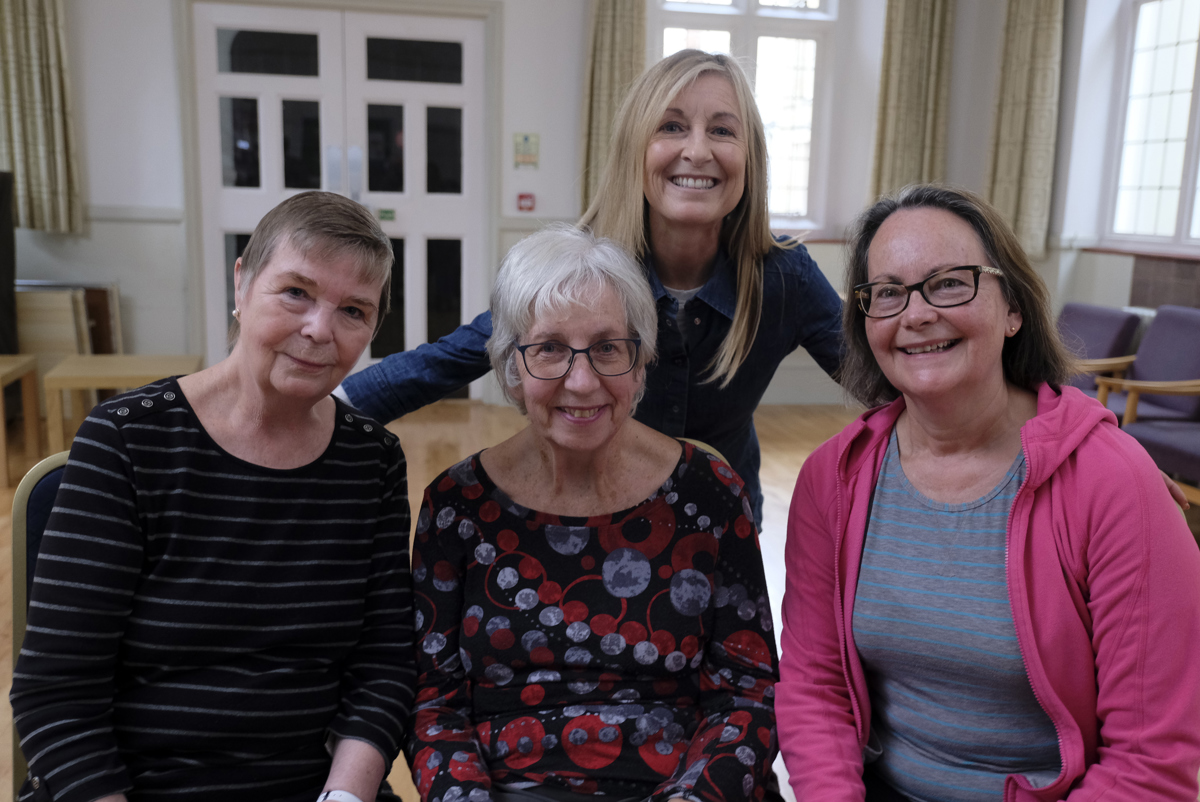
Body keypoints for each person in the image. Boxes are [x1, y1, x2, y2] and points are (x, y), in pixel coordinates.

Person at [775, 184, 1200, 802]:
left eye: (950, 282)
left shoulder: (1115, 483)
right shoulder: (831, 478)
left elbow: (1152, 762)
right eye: (887, 293)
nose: (916, 313)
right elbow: (816, 687)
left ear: (1013, 310)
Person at [11, 192, 414, 802]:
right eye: (296, 292)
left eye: (353, 310)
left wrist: (345, 797)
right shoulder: (127, 439)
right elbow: (57, 696)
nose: (319, 329)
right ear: (242, 282)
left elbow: (383, 670)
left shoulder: (373, 459)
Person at [337, 49, 844, 527]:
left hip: (721, 523)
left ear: (751, 157)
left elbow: (882, 369)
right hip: (597, 523)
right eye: (671, 126)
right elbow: (454, 356)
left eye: (722, 130)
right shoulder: (584, 270)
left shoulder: (784, 275)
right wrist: (325, 404)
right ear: (634, 149)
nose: (697, 150)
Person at [408, 225, 778, 802]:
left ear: (641, 360)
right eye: (549, 348)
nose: (581, 382)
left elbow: (746, 692)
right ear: (511, 364)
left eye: (607, 347)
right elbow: (434, 704)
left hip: (681, 787)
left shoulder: (710, 494)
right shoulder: (456, 506)